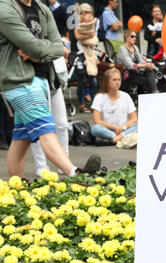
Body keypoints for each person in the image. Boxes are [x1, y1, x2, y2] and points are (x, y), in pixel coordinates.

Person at [0, 0, 101, 178]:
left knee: (21, 138)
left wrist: (39, 55)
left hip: (43, 77)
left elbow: (59, 48)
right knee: (46, 128)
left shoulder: (42, 9)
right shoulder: (4, 8)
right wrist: (47, 49)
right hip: (18, 79)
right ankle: (75, 173)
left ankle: (14, 188)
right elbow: (34, 46)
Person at [90, 67, 137, 146]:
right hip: (107, 130)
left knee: (139, 126)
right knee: (95, 129)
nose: (117, 82)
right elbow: (97, 121)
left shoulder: (125, 96)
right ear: (107, 82)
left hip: (124, 129)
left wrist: (123, 128)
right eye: (114, 80)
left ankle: (118, 138)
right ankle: (117, 137)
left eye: (119, 80)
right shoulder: (99, 97)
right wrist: (114, 128)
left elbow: (134, 118)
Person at [73, 3, 99, 114]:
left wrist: (89, 36)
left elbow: (95, 36)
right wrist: (89, 36)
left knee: (93, 81)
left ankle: (94, 104)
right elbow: (77, 36)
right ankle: (82, 104)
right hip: (80, 54)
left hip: (91, 54)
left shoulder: (94, 22)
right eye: (87, 12)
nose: (89, 15)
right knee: (82, 80)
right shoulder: (76, 22)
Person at [117, 29, 158, 95]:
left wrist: (148, 65)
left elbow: (140, 60)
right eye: (132, 36)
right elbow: (130, 66)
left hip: (136, 72)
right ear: (126, 37)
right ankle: (153, 93)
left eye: (135, 37)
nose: (134, 38)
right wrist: (145, 65)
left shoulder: (135, 47)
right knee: (149, 81)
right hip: (127, 73)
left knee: (149, 71)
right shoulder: (122, 49)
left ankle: (154, 92)